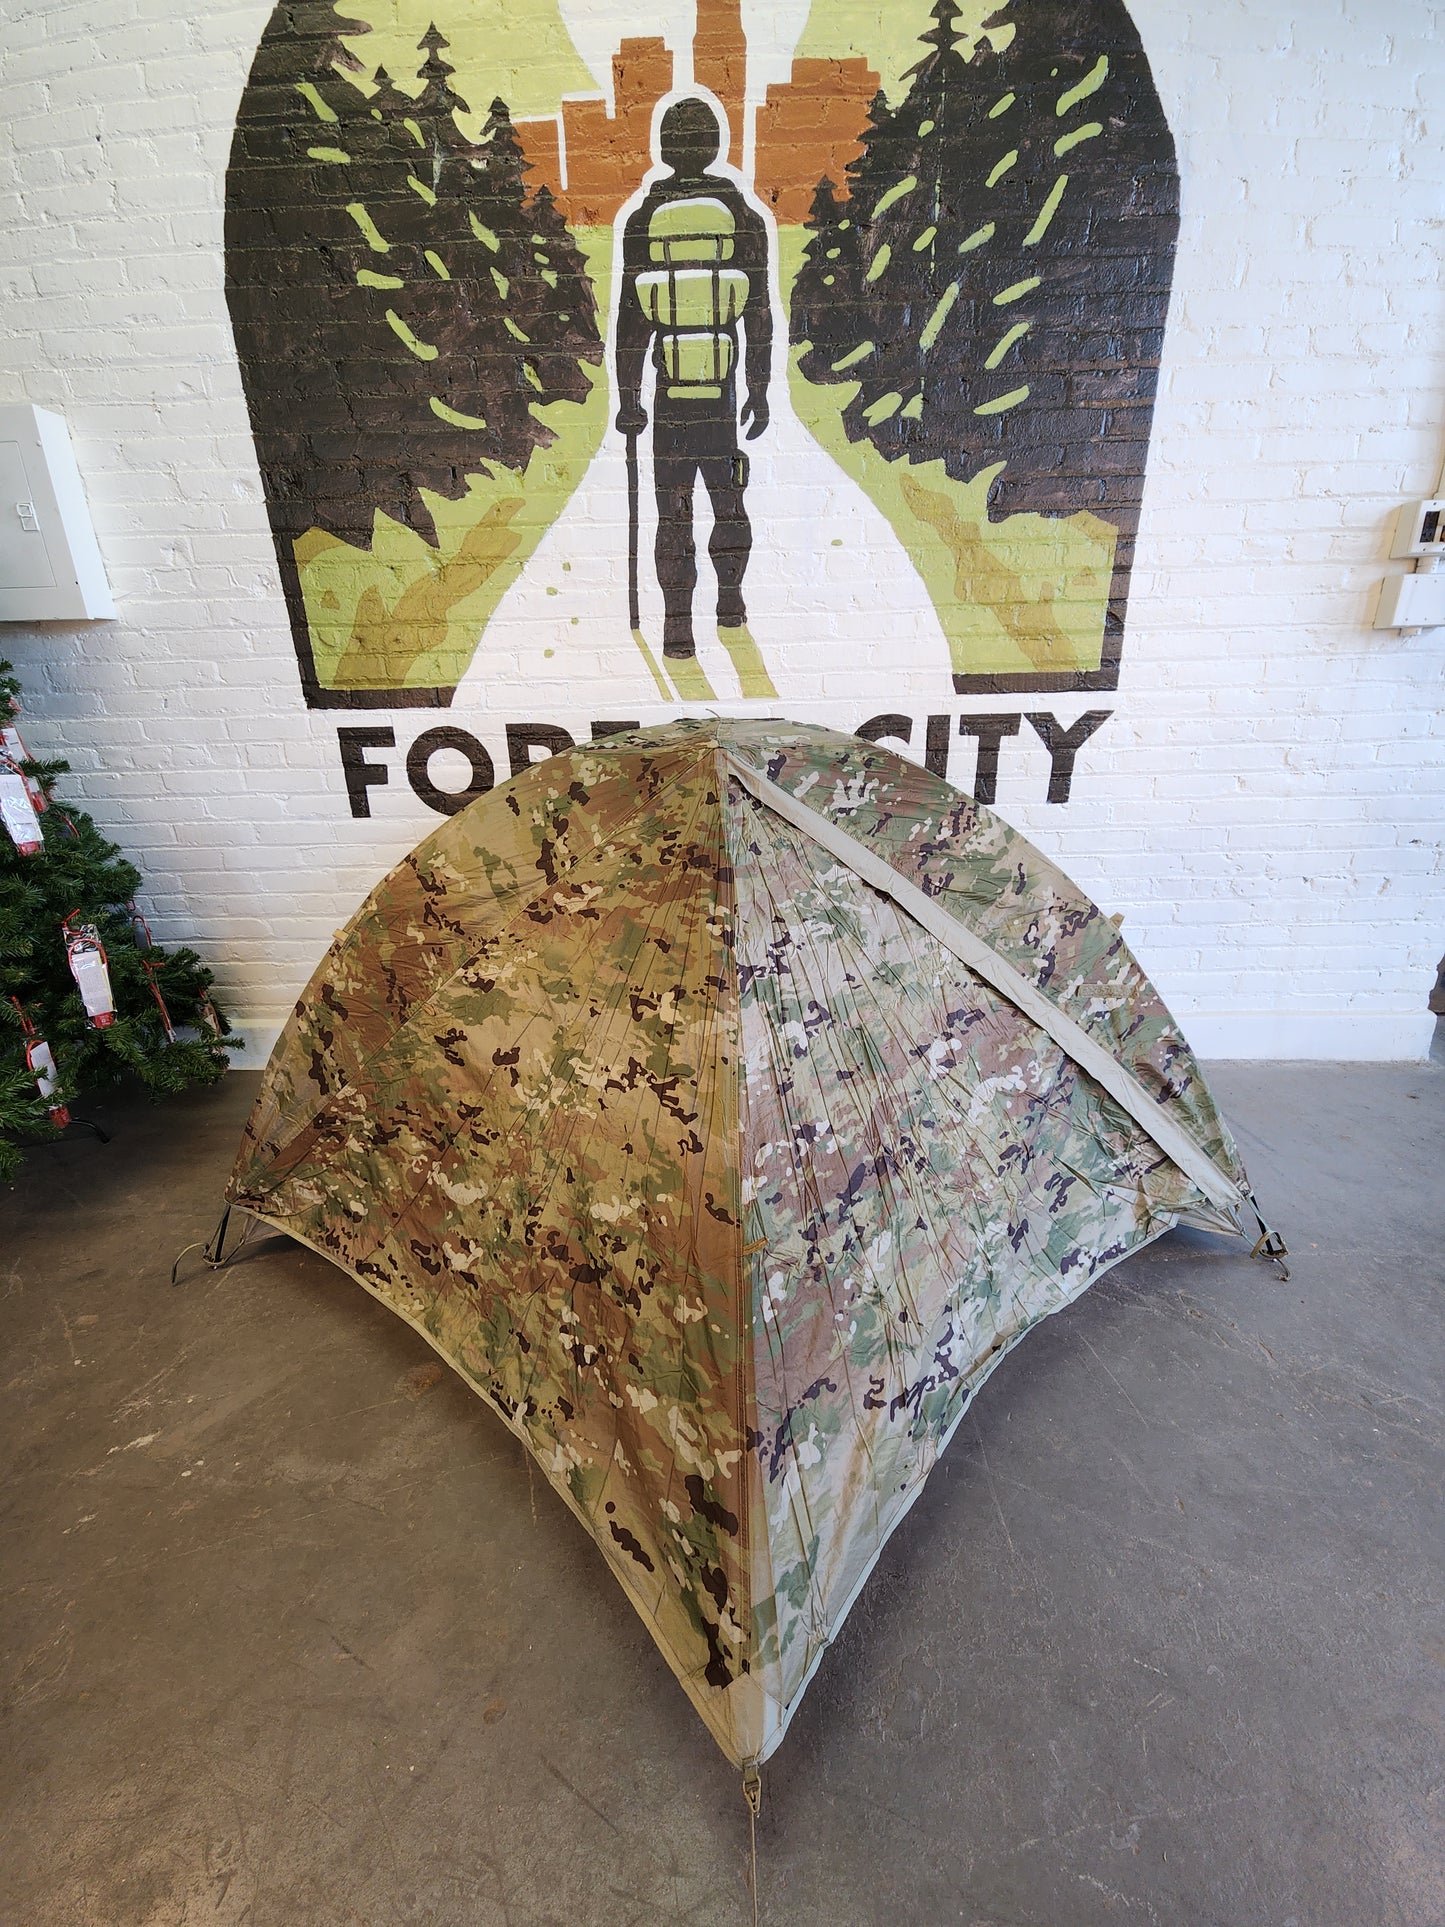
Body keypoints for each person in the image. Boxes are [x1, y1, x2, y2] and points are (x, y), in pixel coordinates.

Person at [615, 96, 772, 660]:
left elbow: (631, 320)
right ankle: (729, 603)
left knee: (672, 512)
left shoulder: (642, 221)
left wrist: (629, 395)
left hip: (670, 401)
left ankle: (677, 628)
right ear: (714, 146)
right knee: (729, 503)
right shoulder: (746, 217)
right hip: (723, 399)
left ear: (664, 147)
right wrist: (758, 386)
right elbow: (758, 311)